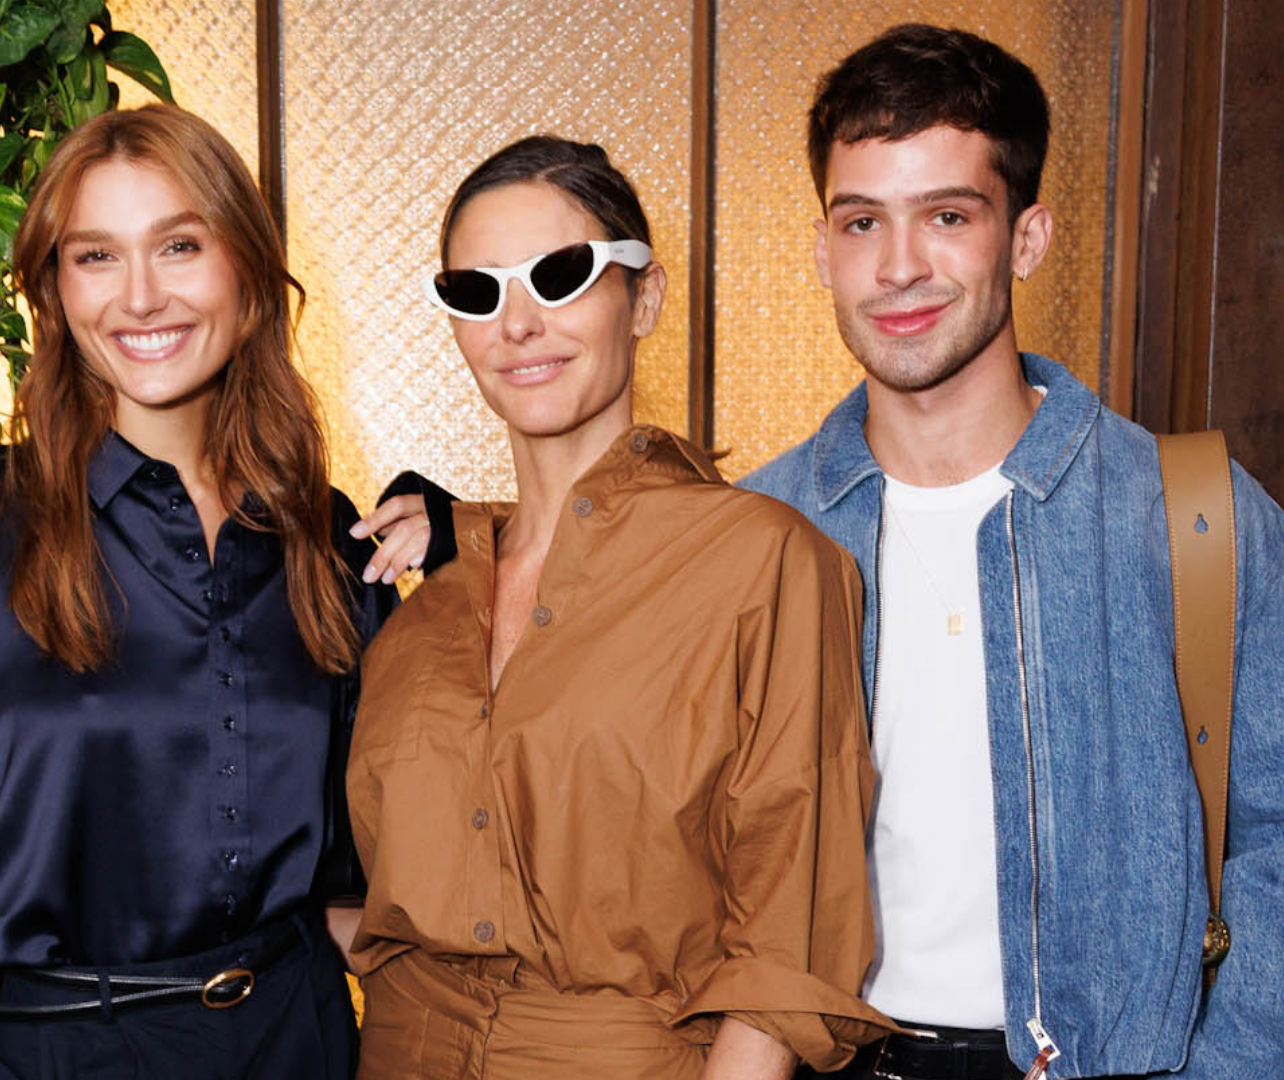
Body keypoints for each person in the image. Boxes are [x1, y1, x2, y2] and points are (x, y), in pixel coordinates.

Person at [357, 25, 1284, 1080]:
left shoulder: (1190, 518)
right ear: (821, 250)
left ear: (1025, 239)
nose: (899, 267)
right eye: (860, 221)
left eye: (947, 216)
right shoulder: (758, 527)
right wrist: (459, 525)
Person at [0, 105, 395, 1080]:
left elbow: (369, 880)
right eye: (97, 256)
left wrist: (469, 547)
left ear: (247, 276)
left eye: (181, 246)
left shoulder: (320, 534)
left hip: (305, 1039)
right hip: (66, 1054)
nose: (143, 296)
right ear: (53, 292)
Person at [341, 135, 892, 1080]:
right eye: (478, 292)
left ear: (645, 297)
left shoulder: (766, 562)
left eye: (559, 276)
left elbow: (785, 944)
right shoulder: (424, 600)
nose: (518, 324)